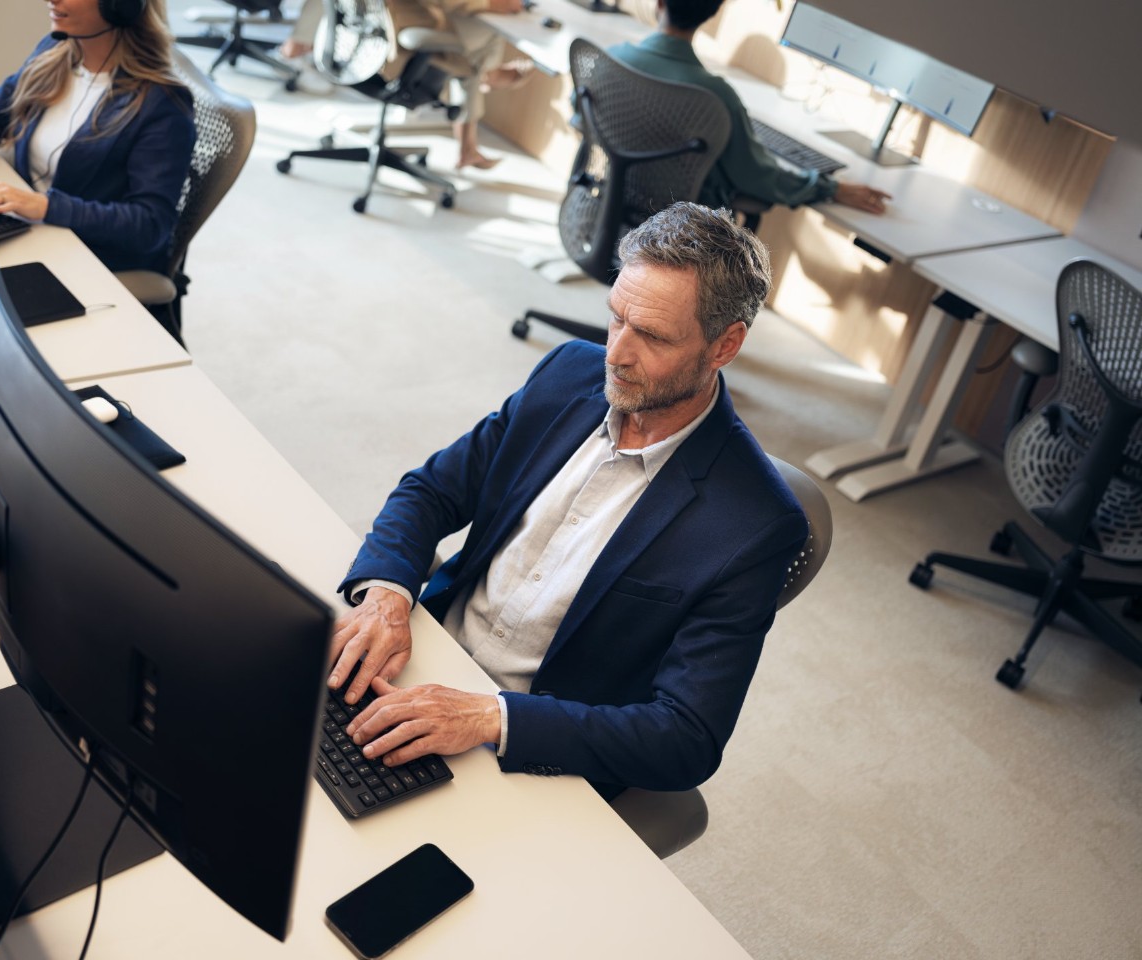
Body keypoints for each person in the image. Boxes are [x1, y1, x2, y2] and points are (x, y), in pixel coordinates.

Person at [329, 201, 808, 800]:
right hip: (422, 660)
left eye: (652, 335)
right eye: (616, 318)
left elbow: (686, 737)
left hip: (532, 747)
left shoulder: (756, 524)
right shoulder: (566, 374)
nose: (616, 354)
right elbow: (431, 491)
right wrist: (387, 600)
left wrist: (489, 717)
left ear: (724, 345)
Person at [0, 0, 197, 275]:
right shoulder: (55, 54)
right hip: (26, 234)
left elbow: (150, 225)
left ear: (120, 4)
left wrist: (45, 206)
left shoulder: (161, 104)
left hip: (86, 261)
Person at [607, 0, 891, 215]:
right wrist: (831, 188)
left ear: (659, 3)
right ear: (713, 11)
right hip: (676, 235)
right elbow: (758, 176)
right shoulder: (716, 96)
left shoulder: (612, 59)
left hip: (609, 207)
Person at [280, 0, 530, 169]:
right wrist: (490, 3)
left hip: (350, 49)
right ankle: (489, 77)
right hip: (387, 56)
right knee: (484, 36)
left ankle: (484, 88)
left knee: (475, 39)